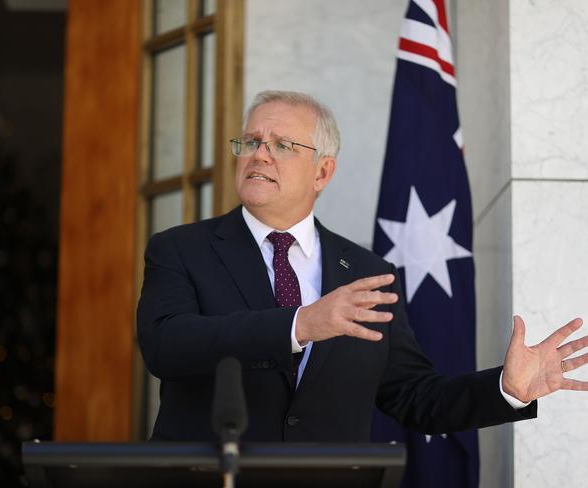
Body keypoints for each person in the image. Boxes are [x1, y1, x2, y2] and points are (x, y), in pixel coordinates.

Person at [137, 90, 588, 442]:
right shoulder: (180, 249)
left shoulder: (368, 274)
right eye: (251, 141)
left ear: (322, 172)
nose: (259, 154)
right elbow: (166, 345)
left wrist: (506, 389)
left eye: (282, 145)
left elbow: (414, 398)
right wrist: (299, 325)